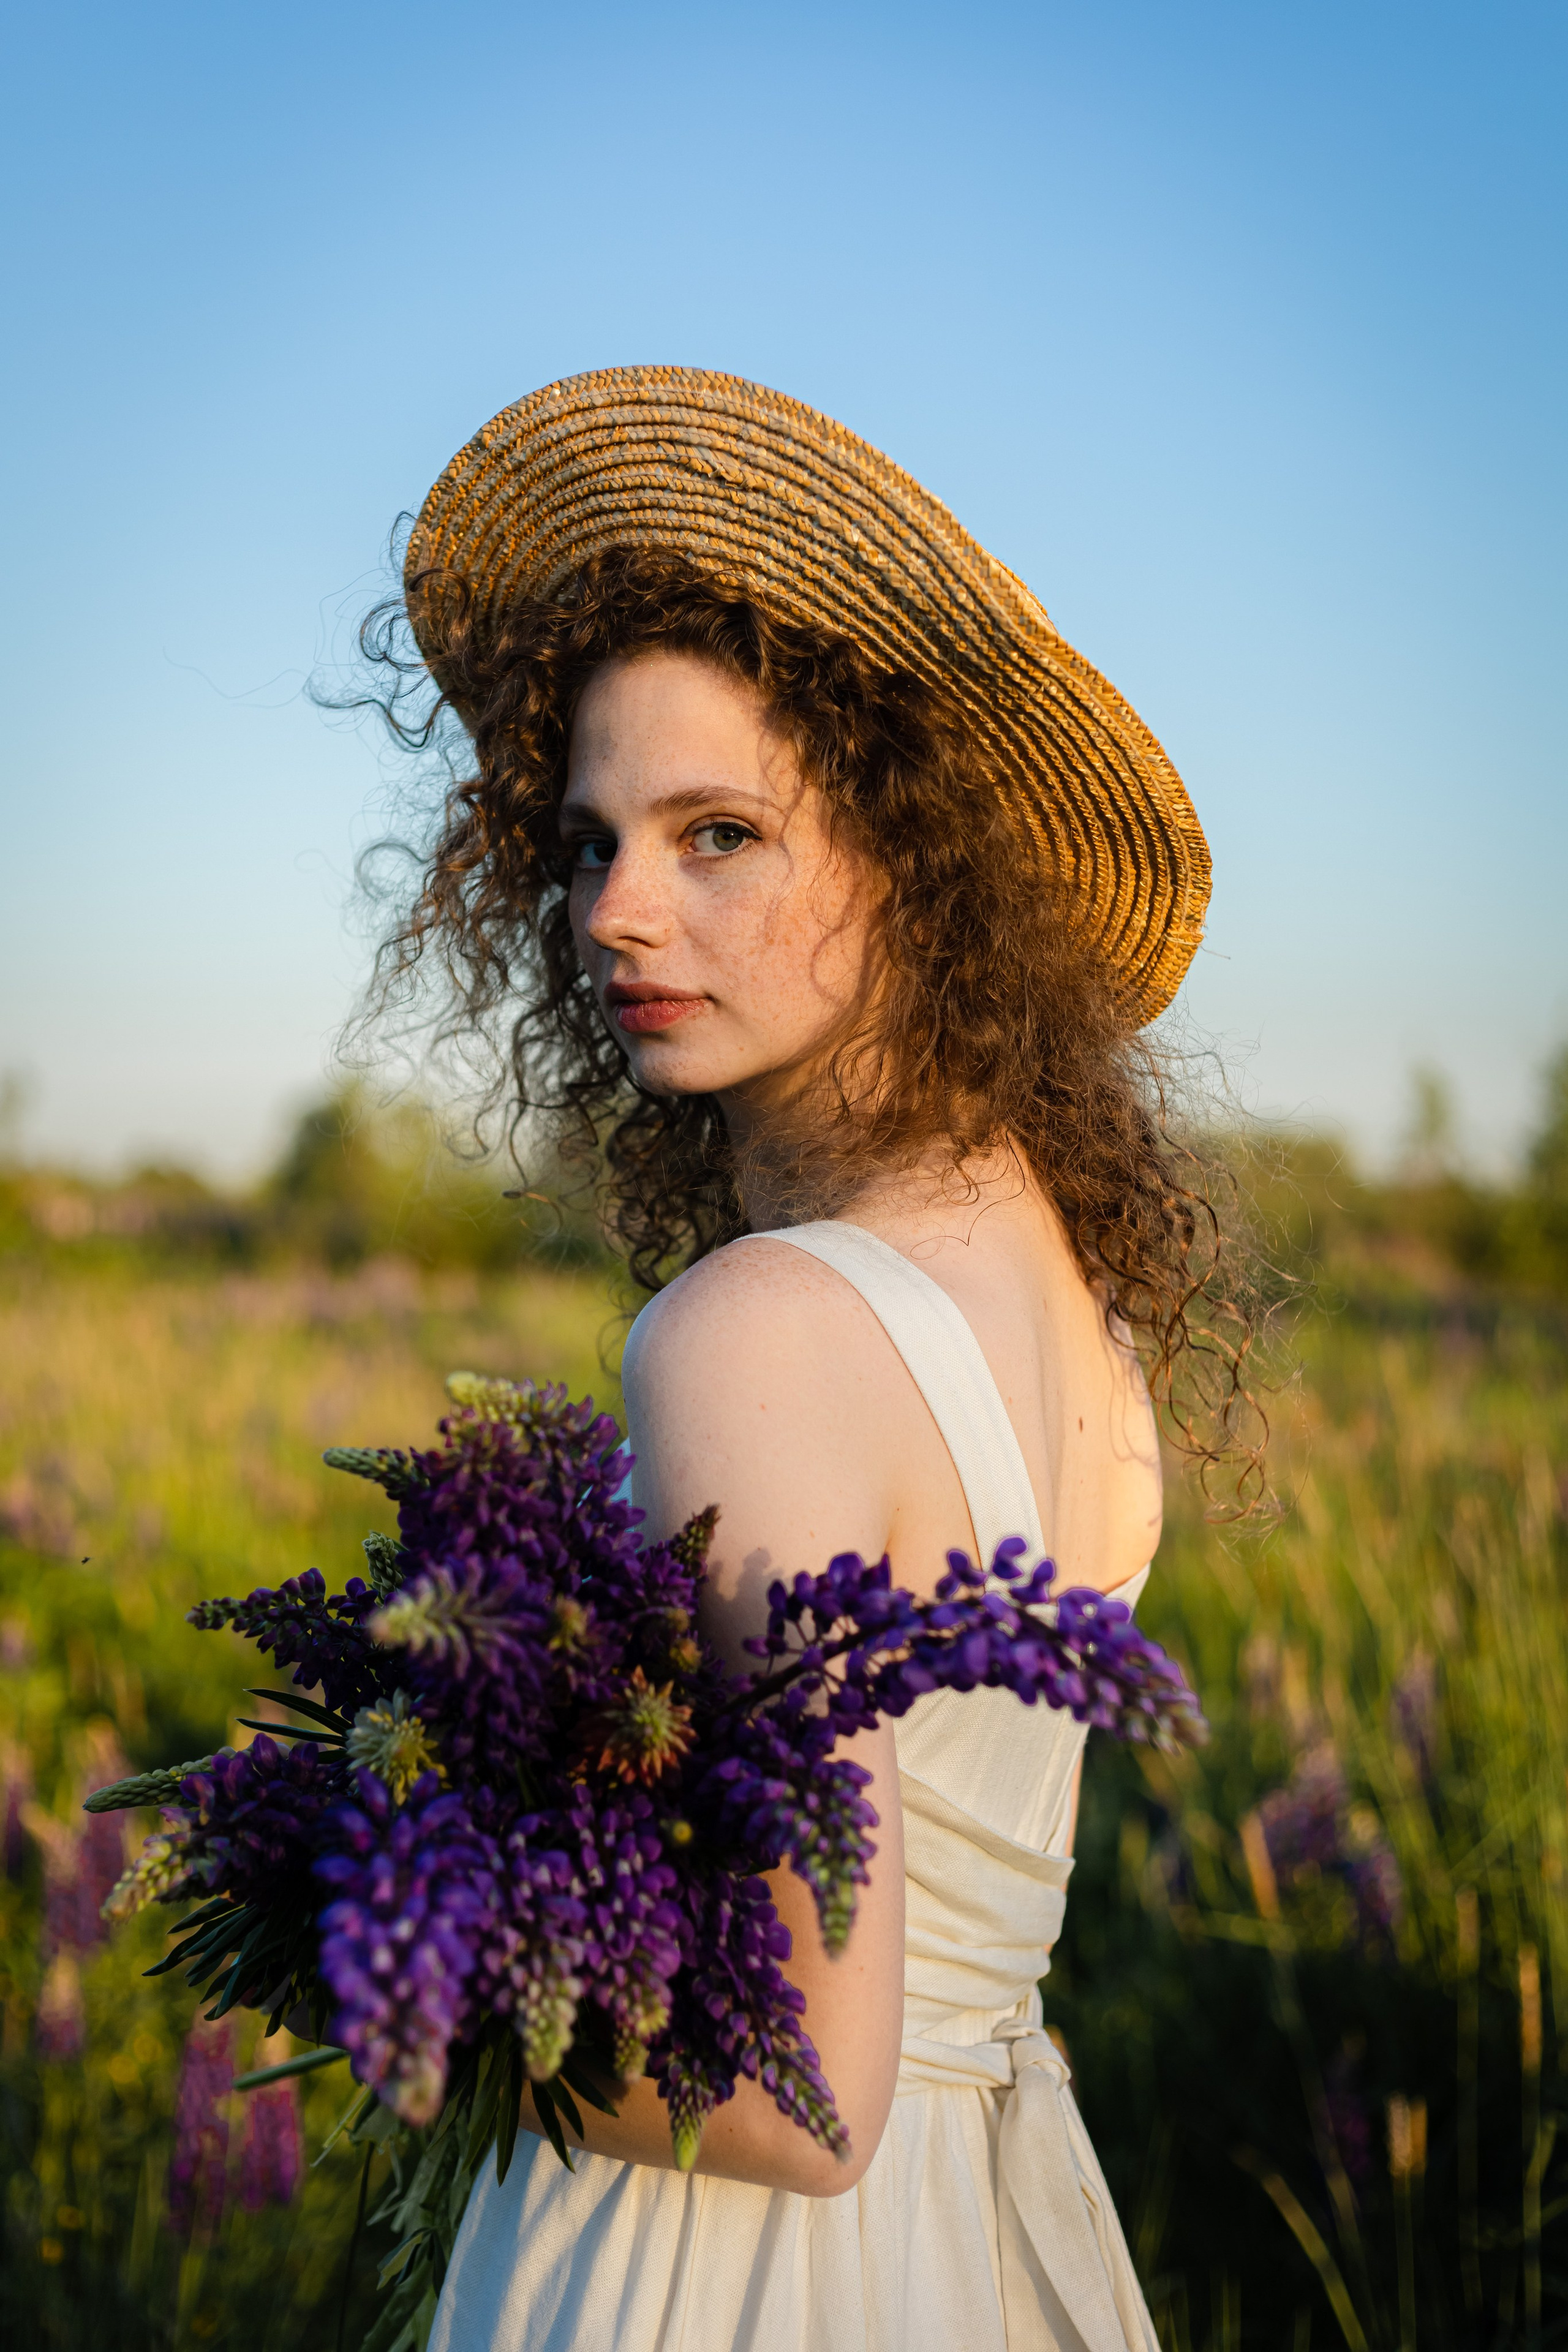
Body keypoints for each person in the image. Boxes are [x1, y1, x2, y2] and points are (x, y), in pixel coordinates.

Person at [365, 368, 1250, 2352]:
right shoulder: (1064, 1299)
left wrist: (403, 1997)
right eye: (592, 841)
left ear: (917, 865)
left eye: (721, 833)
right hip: (993, 2238)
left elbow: (802, 2089)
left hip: (733, 2280)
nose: (618, 910)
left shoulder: (762, 1324)